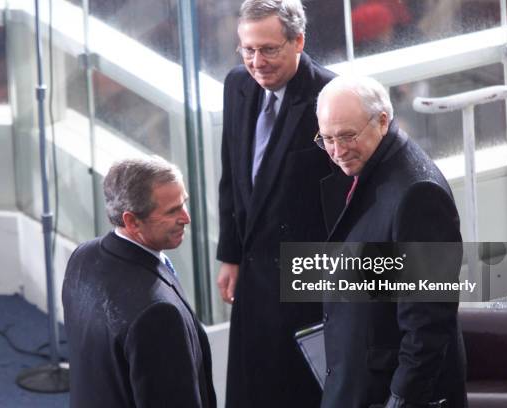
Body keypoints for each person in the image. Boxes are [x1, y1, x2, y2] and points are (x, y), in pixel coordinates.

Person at [315, 75, 467, 408]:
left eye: (347, 136)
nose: (337, 152)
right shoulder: (372, 166)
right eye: (326, 138)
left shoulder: (417, 194)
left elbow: (427, 325)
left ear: (382, 121)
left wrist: (400, 401)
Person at [216, 0, 341, 406]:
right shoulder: (236, 84)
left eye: (269, 49)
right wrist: (230, 254)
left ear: (298, 41)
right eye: (248, 50)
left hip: (306, 278)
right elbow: (231, 176)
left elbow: (347, 202)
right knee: (251, 388)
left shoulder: (332, 97)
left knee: (299, 391)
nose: (257, 61)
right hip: (253, 270)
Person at [62, 157, 216, 408]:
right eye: (172, 211)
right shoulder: (157, 313)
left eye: (183, 204)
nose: (186, 218)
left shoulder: (83, 256)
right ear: (132, 221)